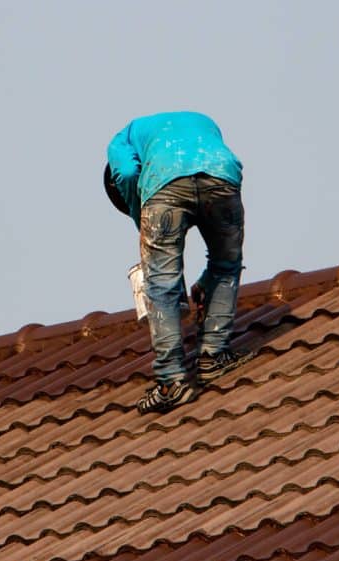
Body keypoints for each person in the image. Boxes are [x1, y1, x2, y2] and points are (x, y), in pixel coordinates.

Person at [104, 111, 245, 414]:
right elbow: (204, 165)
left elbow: (127, 174)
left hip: (164, 187)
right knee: (225, 264)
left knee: (162, 284)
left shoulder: (121, 139)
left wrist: (140, 214)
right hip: (223, 177)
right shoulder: (201, 120)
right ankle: (213, 357)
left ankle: (172, 382)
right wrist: (207, 279)